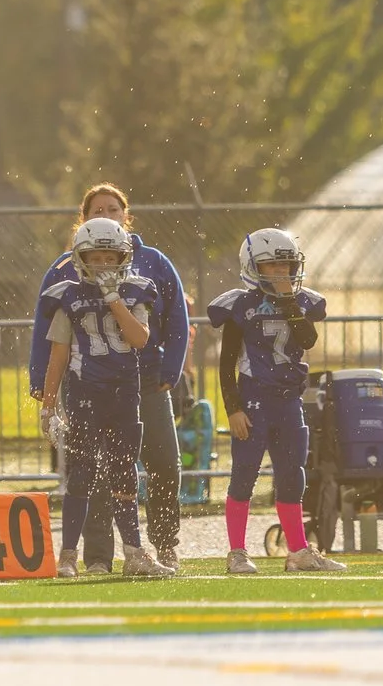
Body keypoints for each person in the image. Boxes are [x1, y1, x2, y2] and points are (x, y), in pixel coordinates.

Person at [28, 184, 190, 572]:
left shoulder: (152, 263)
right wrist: (42, 386)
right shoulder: (66, 269)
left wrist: (173, 368)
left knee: (164, 460)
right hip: (88, 381)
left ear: (125, 215)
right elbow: (48, 333)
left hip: (145, 378)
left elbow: (177, 320)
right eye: (97, 209)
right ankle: (98, 556)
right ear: (82, 220)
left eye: (113, 208)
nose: (106, 214)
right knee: (93, 470)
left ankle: (164, 544)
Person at [209, 227, 345, 575]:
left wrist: (288, 303)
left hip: (289, 402)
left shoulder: (302, 303)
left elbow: (308, 338)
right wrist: (233, 408)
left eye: (287, 265)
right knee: (244, 475)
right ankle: (237, 552)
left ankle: (298, 550)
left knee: (291, 477)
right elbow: (226, 365)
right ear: (253, 266)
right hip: (254, 399)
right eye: (273, 266)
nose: (283, 273)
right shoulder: (241, 304)